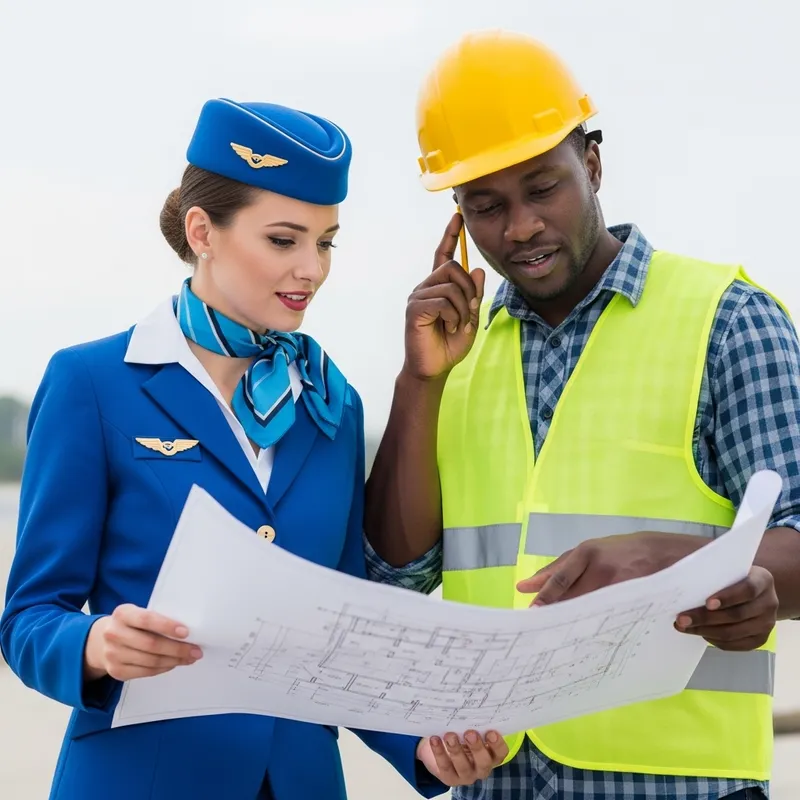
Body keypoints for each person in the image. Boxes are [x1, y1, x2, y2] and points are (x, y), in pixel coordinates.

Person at [0, 97, 509, 800]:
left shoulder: (331, 404)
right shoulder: (92, 383)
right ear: (202, 231)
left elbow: (343, 630)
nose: (312, 269)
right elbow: (29, 617)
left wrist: (424, 744)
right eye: (283, 240)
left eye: (326, 242)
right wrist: (92, 646)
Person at [363, 29, 800, 800]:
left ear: (592, 164)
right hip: (500, 783)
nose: (520, 226)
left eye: (543, 187)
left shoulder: (728, 321)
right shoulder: (456, 357)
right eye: (486, 205)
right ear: (458, 218)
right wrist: (419, 381)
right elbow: (399, 571)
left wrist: (665, 561)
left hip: (684, 785)